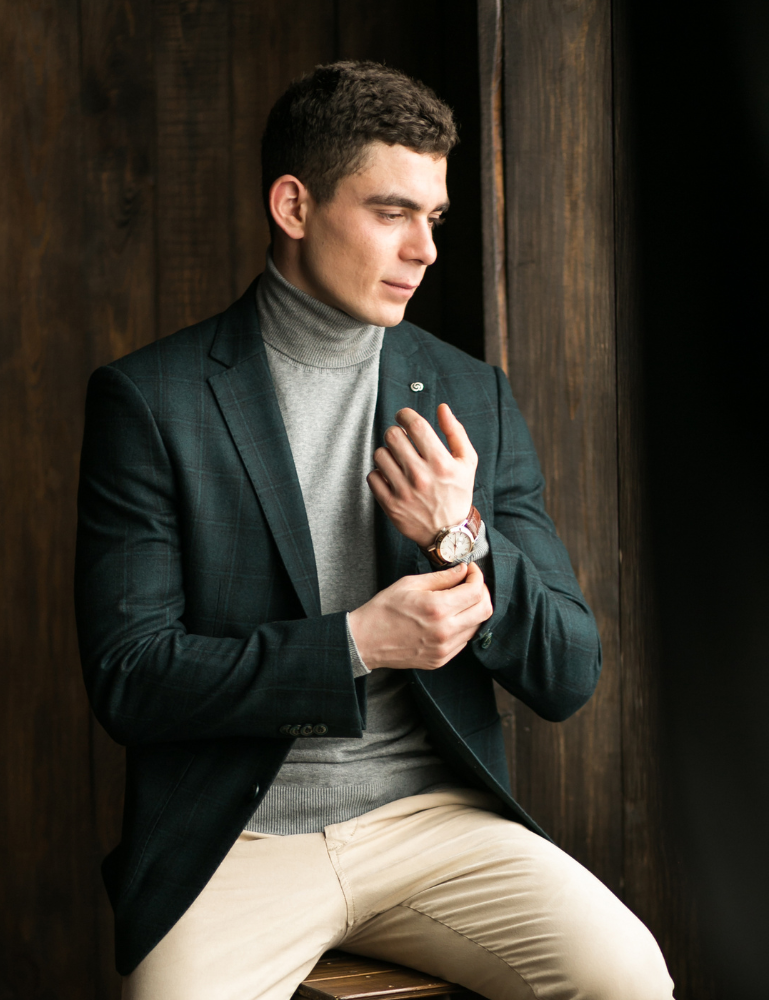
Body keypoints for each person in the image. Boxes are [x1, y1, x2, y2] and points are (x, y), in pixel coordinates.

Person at [75, 61, 672, 1000]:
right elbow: (131, 677)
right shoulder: (153, 401)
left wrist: (460, 535)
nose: (426, 250)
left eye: (433, 219)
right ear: (294, 205)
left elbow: (570, 671)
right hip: (240, 839)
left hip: (433, 822)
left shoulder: (472, 392)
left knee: (629, 978)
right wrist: (355, 644)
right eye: (393, 212)